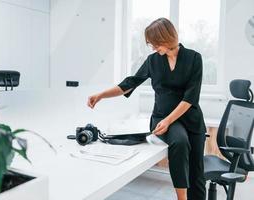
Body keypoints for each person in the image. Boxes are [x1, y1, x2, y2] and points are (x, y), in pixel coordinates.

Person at [87, 17, 206, 200]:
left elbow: (190, 98)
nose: (152, 48)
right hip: (162, 118)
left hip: (191, 120)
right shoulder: (153, 61)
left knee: (197, 174)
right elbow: (129, 83)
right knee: (180, 142)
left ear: (166, 38)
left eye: (154, 43)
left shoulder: (194, 58)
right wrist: (101, 95)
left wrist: (169, 120)